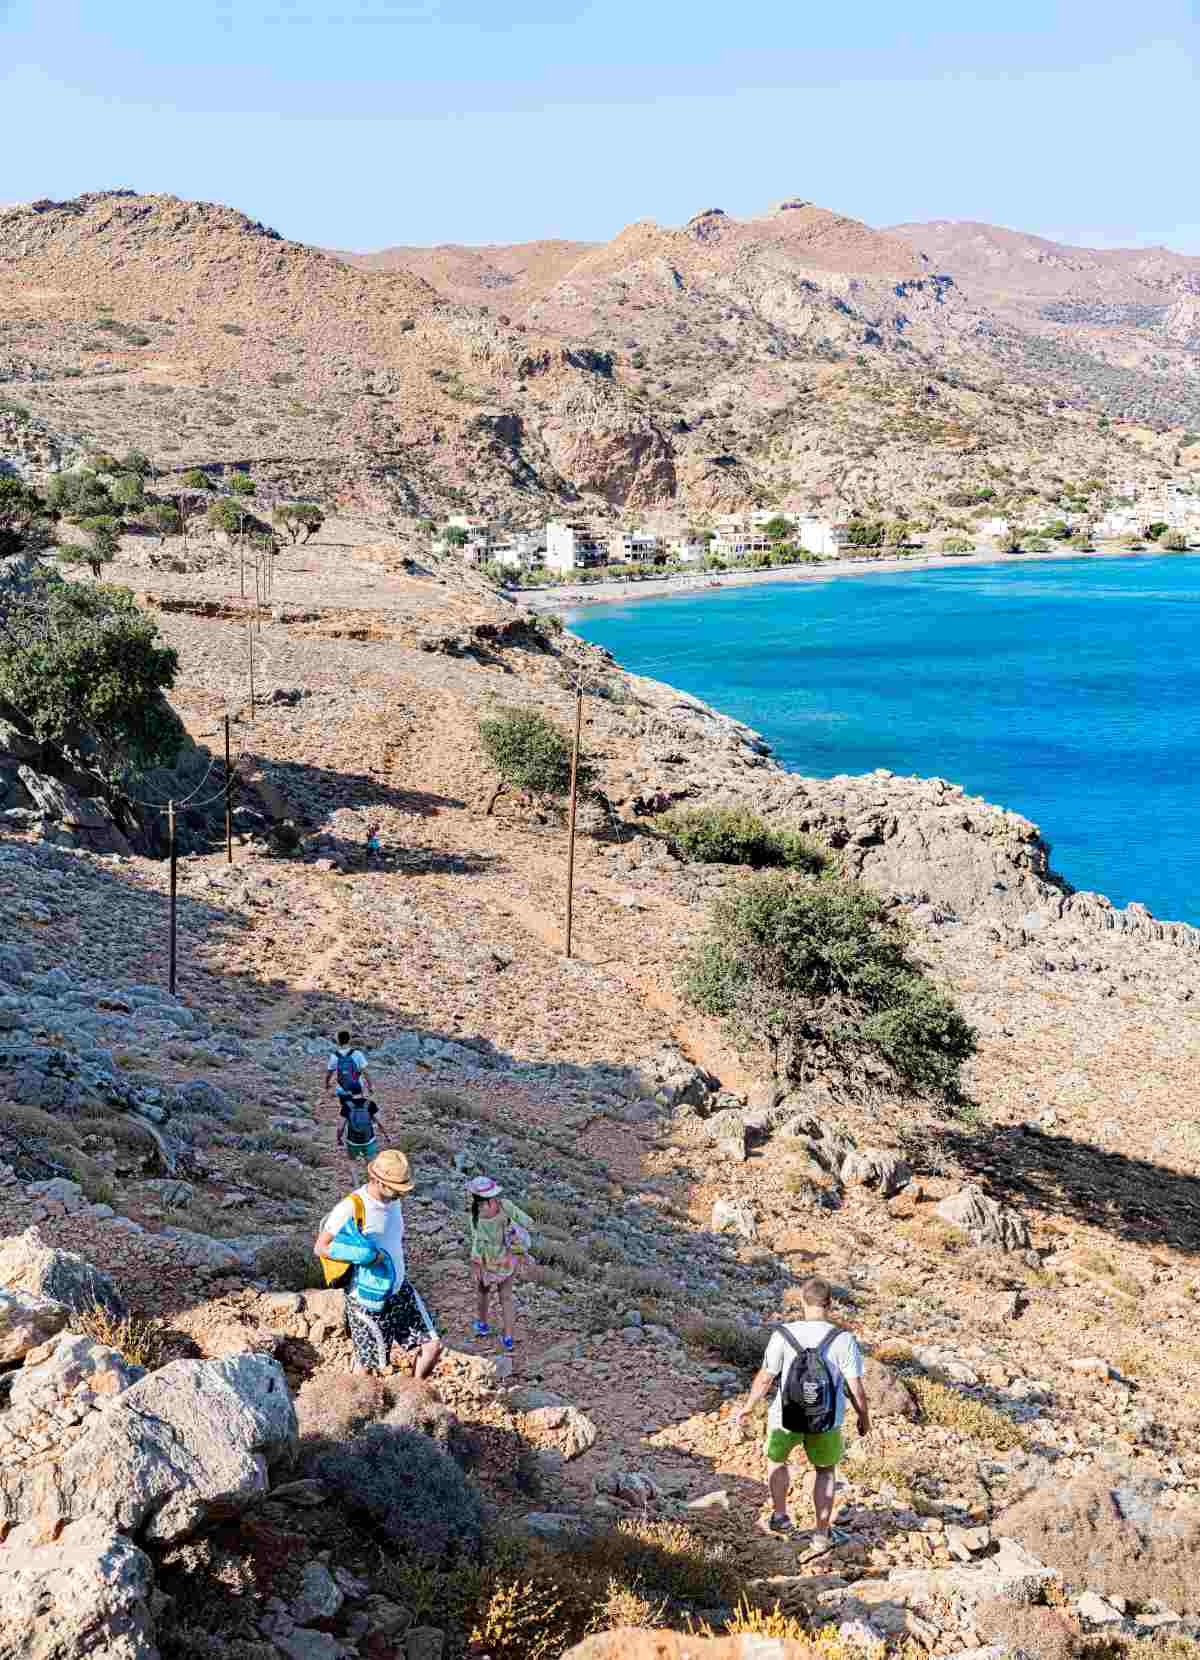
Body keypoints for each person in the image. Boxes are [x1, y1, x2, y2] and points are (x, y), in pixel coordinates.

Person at [733, 1276, 870, 1546]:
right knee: (825, 1471)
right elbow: (857, 1389)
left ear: (801, 1301)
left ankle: (781, 1515)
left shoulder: (783, 1334)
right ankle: (821, 1533)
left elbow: (765, 1378)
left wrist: (748, 1408)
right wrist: (864, 1418)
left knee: (777, 1461)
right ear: (830, 1303)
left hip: (785, 1415)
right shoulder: (843, 1339)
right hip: (827, 1419)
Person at [313, 1149, 441, 1379]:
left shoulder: (393, 1201)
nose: (401, 1195)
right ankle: (356, 1407)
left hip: (399, 1288)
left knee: (432, 1346)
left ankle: (412, 1393)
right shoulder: (350, 1207)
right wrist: (365, 1256)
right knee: (367, 1368)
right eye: (396, 1189)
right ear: (378, 1181)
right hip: (367, 1298)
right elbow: (321, 1247)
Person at [465, 1174, 533, 1353]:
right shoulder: (505, 1205)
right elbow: (527, 1222)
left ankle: (483, 1325)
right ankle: (508, 1336)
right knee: (506, 1297)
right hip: (507, 1258)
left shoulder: (475, 1214)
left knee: (483, 1292)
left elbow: (477, 1242)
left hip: (486, 1260)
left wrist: (475, 1263)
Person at [325, 1031, 373, 1115]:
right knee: (359, 1109)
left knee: (346, 1111)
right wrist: (370, 1086)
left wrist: (327, 1084)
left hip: (342, 1089)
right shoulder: (358, 1054)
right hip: (357, 1088)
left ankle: (345, 1126)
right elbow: (365, 1072)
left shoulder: (334, 1056)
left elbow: (329, 1073)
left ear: (338, 1041)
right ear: (349, 1040)